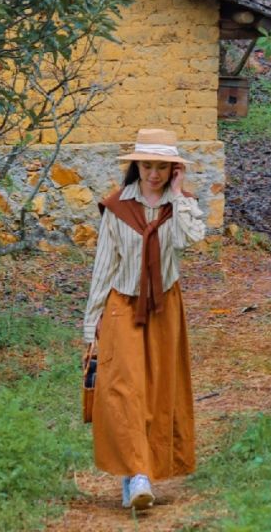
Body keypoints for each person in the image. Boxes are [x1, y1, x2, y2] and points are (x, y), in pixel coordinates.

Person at [82, 126, 206, 511]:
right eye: (147, 166)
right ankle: (137, 475)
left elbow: (190, 239)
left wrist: (178, 194)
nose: (154, 174)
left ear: (173, 170)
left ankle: (142, 469)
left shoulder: (179, 206)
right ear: (136, 166)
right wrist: (92, 322)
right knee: (124, 388)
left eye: (162, 167)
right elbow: (104, 265)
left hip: (165, 306)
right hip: (123, 304)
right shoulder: (118, 207)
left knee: (157, 390)